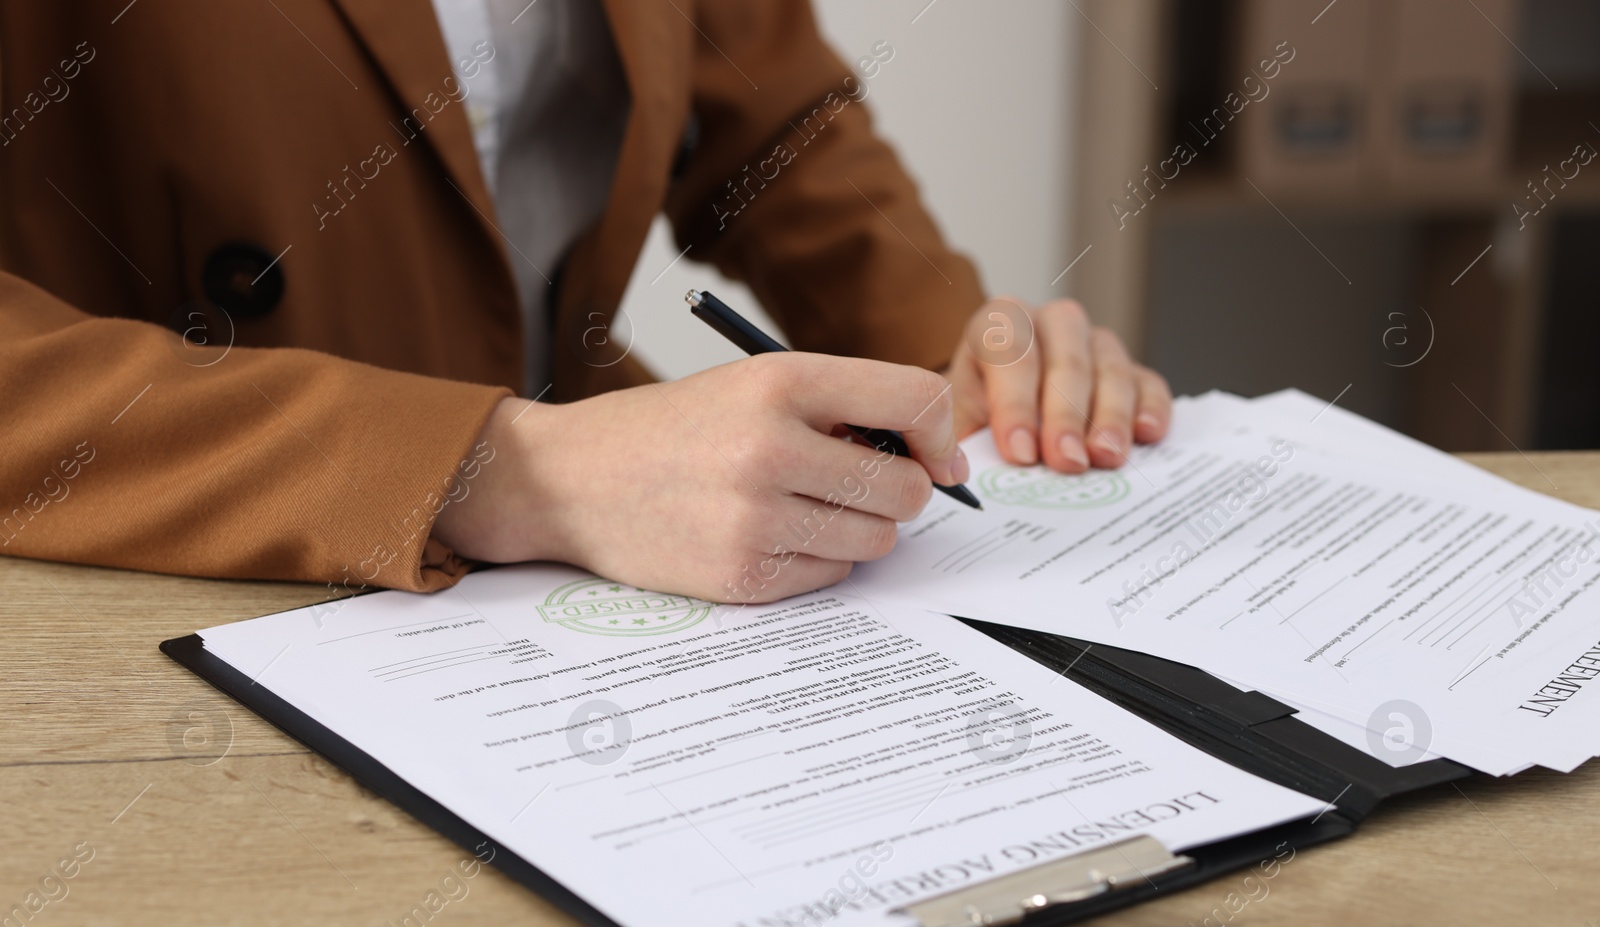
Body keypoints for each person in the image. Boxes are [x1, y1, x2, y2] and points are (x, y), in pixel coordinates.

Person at [0, 0, 1170, 605]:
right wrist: (497, 470)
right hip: (181, 562)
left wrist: (950, 354)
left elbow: (775, 121)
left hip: (592, 560)